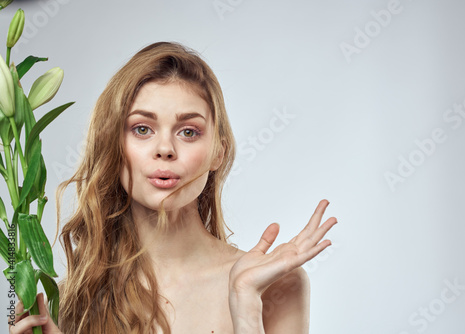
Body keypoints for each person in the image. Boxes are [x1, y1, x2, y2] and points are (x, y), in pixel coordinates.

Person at [9, 41, 337, 333]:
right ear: (113, 145)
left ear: (218, 153)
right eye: (142, 128)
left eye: (188, 131)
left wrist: (246, 309)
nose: (165, 148)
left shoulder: (275, 285)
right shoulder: (72, 299)